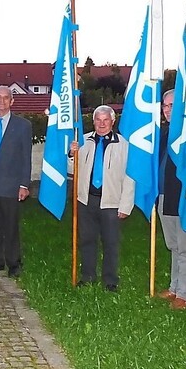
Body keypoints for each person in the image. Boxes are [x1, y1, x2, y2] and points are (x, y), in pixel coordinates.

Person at [70, 105, 134, 292]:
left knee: (111, 242)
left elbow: (129, 178)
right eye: (98, 120)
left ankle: (110, 280)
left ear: (113, 122)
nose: (102, 124)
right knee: (87, 240)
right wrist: (71, 155)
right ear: (93, 121)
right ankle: (88, 275)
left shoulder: (123, 145)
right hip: (86, 199)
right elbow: (70, 170)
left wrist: (125, 205)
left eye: (106, 120)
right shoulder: (83, 141)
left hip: (111, 202)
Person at [157, 90, 186, 309]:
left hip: (184, 197)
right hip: (165, 196)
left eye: (173, 105)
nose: (168, 110)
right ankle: (175, 287)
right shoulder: (164, 135)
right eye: (165, 105)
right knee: (173, 245)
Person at [0, 86, 32, 277]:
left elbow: (26, 157)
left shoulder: (22, 125)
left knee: (11, 226)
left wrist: (24, 184)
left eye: (6, 98)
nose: (2, 101)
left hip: (11, 185)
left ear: (12, 101)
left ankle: (14, 263)